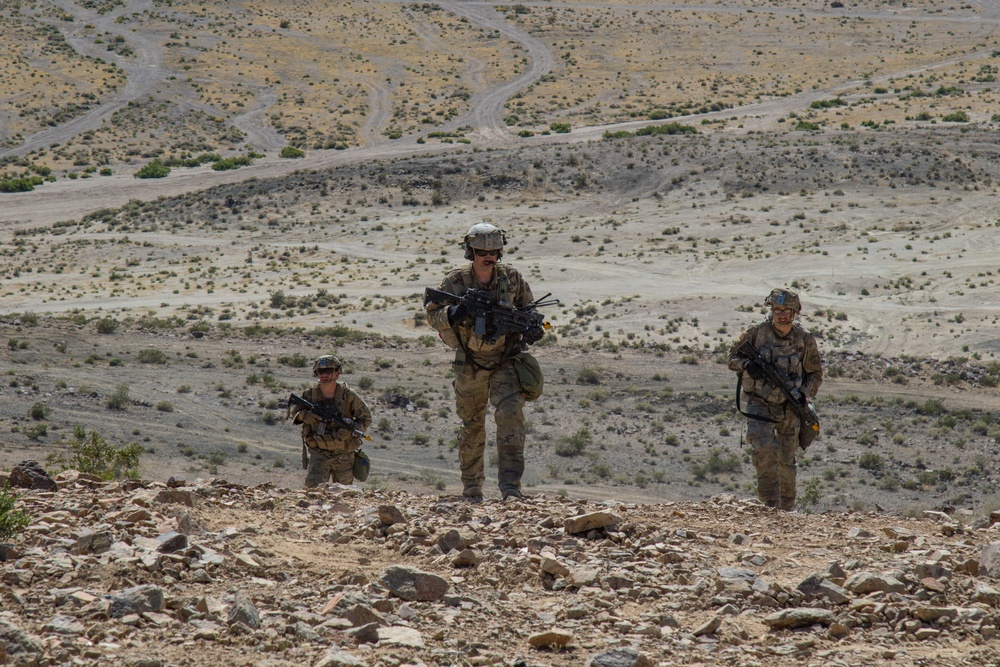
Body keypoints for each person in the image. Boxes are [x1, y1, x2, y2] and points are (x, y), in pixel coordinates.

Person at [425, 223, 541, 502]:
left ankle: (511, 486)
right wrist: (455, 311)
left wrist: (534, 327)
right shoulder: (456, 282)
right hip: (471, 363)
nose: (488, 256)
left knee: (511, 415)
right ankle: (472, 487)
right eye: (481, 251)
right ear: (470, 251)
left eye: (493, 250)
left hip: (505, 361)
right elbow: (432, 316)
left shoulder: (511, 278)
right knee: (472, 424)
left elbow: (530, 309)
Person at [728, 288, 823, 510]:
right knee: (763, 450)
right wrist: (747, 365)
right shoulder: (756, 333)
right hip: (759, 402)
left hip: (790, 406)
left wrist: (803, 395)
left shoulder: (804, 339)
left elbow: (815, 374)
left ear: (795, 312)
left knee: (786, 459)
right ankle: (768, 507)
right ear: (771, 309)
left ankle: (786, 510)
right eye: (777, 309)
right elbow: (732, 357)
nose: (781, 314)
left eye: (787, 310)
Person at [289, 355, 372, 488]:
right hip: (319, 452)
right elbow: (295, 413)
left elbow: (366, 418)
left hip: (343, 453)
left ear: (337, 373)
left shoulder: (348, 396)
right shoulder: (310, 395)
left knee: (345, 494)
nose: (324, 375)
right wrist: (305, 416)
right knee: (313, 492)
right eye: (321, 371)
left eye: (328, 371)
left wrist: (352, 430)